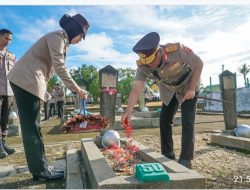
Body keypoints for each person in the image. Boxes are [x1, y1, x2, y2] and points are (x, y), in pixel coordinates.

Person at [7, 13, 89, 180]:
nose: (80, 40)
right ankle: (40, 169)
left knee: (33, 126)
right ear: (74, 30)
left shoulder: (61, 41)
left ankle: (40, 166)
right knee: (31, 127)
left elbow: (49, 71)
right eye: (81, 36)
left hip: (27, 80)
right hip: (26, 80)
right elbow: (59, 67)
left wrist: (44, 91)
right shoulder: (57, 37)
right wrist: (77, 89)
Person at [121, 32, 203, 169]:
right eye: (146, 63)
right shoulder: (144, 65)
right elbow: (137, 88)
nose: (150, 66)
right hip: (170, 90)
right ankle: (168, 153)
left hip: (189, 85)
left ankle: (186, 158)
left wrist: (191, 89)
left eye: (151, 61)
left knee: (187, 120)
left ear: (159, 52)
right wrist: (128, 110)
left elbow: (199, 64)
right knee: (164, 119)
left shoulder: (177, 50)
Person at [0, 29, 16, 159]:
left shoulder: (11, 56)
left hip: (8, 92)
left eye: (10, 39)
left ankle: (3, 143)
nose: (8, 42)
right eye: (6, 38)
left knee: (5, 120)